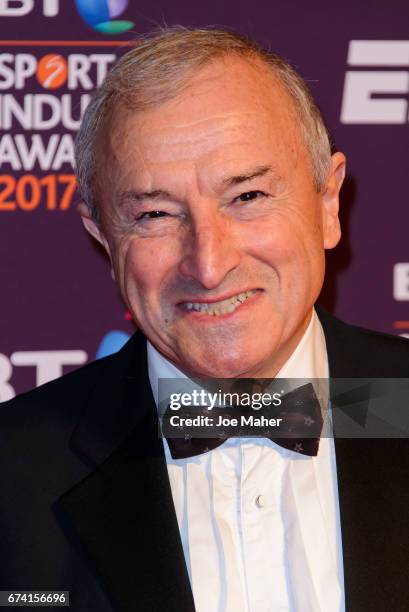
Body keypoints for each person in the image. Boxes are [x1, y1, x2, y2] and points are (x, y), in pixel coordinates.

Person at [1, 26, 409, 612]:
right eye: (155, 214)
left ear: (327, 202)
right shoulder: (12, 475)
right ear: (101, 234)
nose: (210, 265)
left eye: (248, 197)